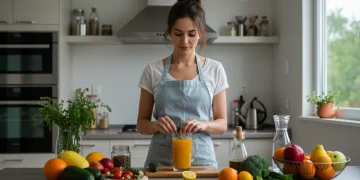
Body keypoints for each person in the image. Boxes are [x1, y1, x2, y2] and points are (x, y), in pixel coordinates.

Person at [137, 0, 229, 169]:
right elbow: (141, 124)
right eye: (178, 34)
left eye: (191, 34)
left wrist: (204, 124)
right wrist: (155, 125)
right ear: (169, 32)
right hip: (160, 163)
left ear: (200, 33)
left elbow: (222, 124)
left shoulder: (214, 69)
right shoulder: (153, 70)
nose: (185, 41)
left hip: (202, 161)